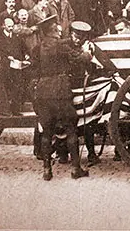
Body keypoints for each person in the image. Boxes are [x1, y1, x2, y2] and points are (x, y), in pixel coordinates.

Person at [32, 16, 92, 181]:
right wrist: (87, 52)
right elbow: (79, 59)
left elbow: (34, 70)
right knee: (70, 128)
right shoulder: (61, 46)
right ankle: (75, 169)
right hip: (61, 91)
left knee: (47, 132)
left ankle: (46, 170)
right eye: (57, 28)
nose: (59, 30)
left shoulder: (37, 48)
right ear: (52, 30)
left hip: (43, 93)